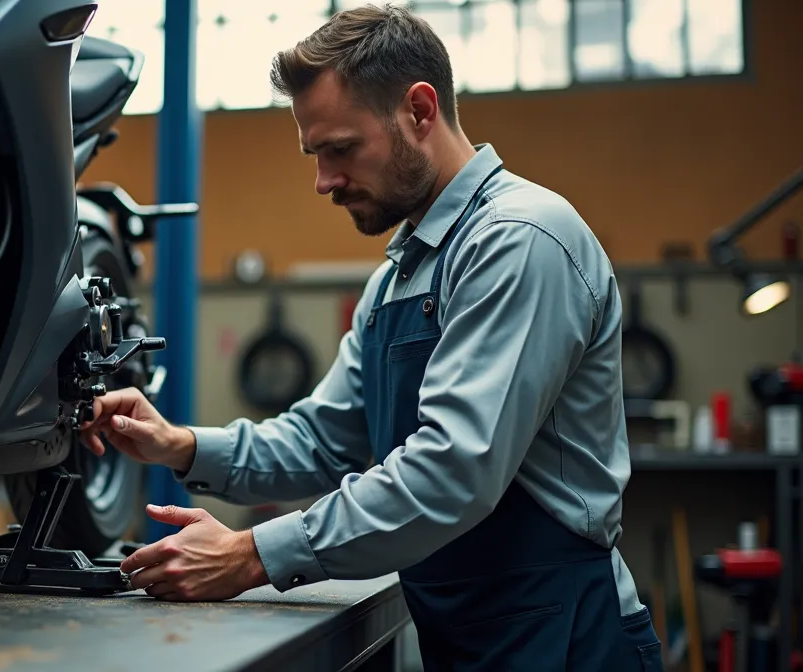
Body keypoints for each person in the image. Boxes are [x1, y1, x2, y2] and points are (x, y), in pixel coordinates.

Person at [78, 4, 664, 671]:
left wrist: (251, 555)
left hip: (568, 640)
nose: (323, 180)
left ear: (419, 110)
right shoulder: (402, 274)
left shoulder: (519, 240)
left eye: (341, 149)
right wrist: (180, 446)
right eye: (314, 154)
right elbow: (327, 439)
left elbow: (452, 472)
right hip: (476, 639)